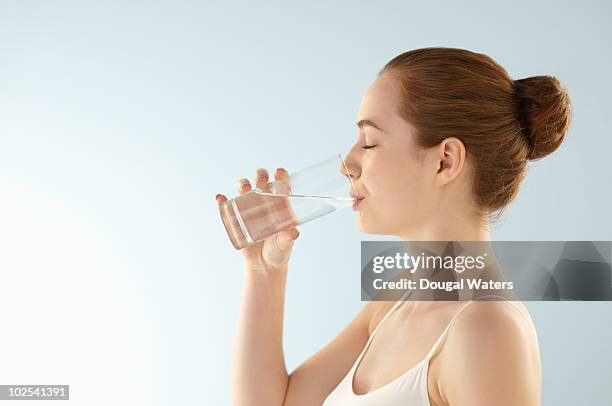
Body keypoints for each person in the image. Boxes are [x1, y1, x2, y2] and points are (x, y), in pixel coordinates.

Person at [215, 47, 571, 406]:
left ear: (445, 162)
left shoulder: (487, 331)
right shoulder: (399, 297)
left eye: (369, 143)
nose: (347, 165)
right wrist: (264, 271)